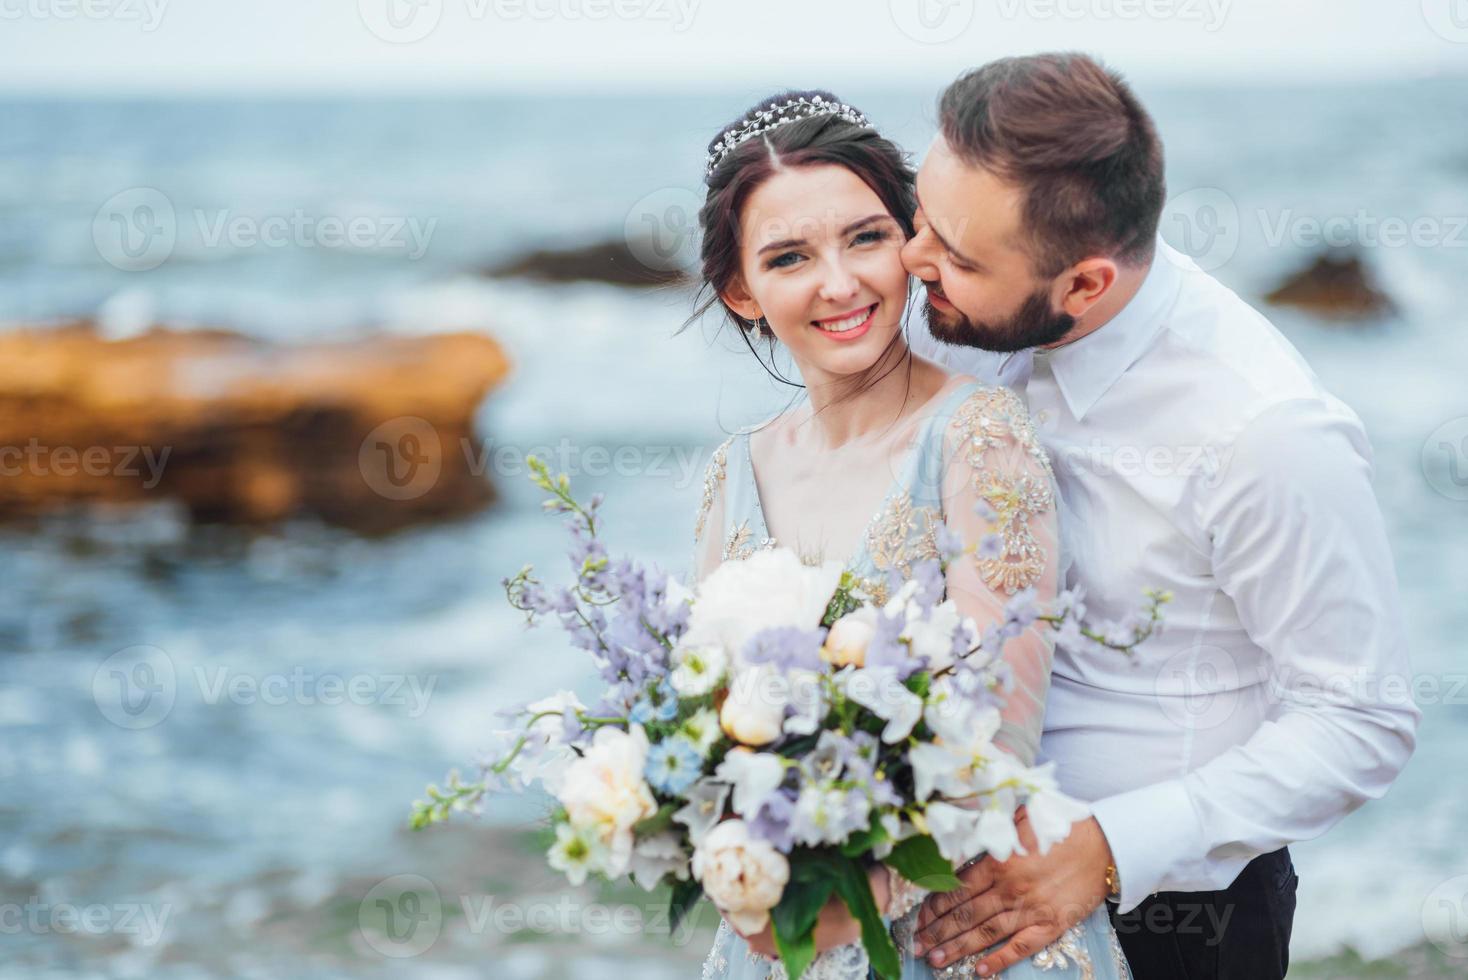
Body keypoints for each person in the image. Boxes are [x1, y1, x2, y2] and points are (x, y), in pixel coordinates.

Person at [902, 53, 1420, 980]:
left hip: (1174, 924)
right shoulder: (971, 317)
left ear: (1086, 285)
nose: (912, 261)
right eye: (920, 218)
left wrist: (1104, 849)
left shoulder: (1265, 431)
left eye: (957, 255)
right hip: (946, 892)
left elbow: (1360, 718)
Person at [691, 90, 1131, 980]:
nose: (840, 283)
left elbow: (999, 741)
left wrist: (858, 894)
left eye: (866, 238)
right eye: (789, 257)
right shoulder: (730, 474)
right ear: (742, 291)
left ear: (913, 240)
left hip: (957, 930)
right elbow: (707, 727)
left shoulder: (980, 436)